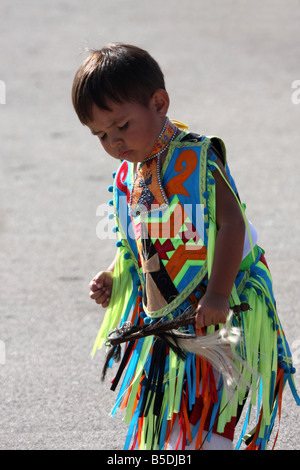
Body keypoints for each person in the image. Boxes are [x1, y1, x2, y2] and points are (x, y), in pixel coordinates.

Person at [72, 43, 299, 450]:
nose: (113, 142)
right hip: (170, 321)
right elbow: (144, 242)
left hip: (221, 307)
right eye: (101, 135)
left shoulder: (198, 157)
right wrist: (114, 274)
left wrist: (218, 293)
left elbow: (231, 225)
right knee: (170, 422)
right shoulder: (131, 174)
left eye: (122, 125)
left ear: (159, 103)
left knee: (210, 423)